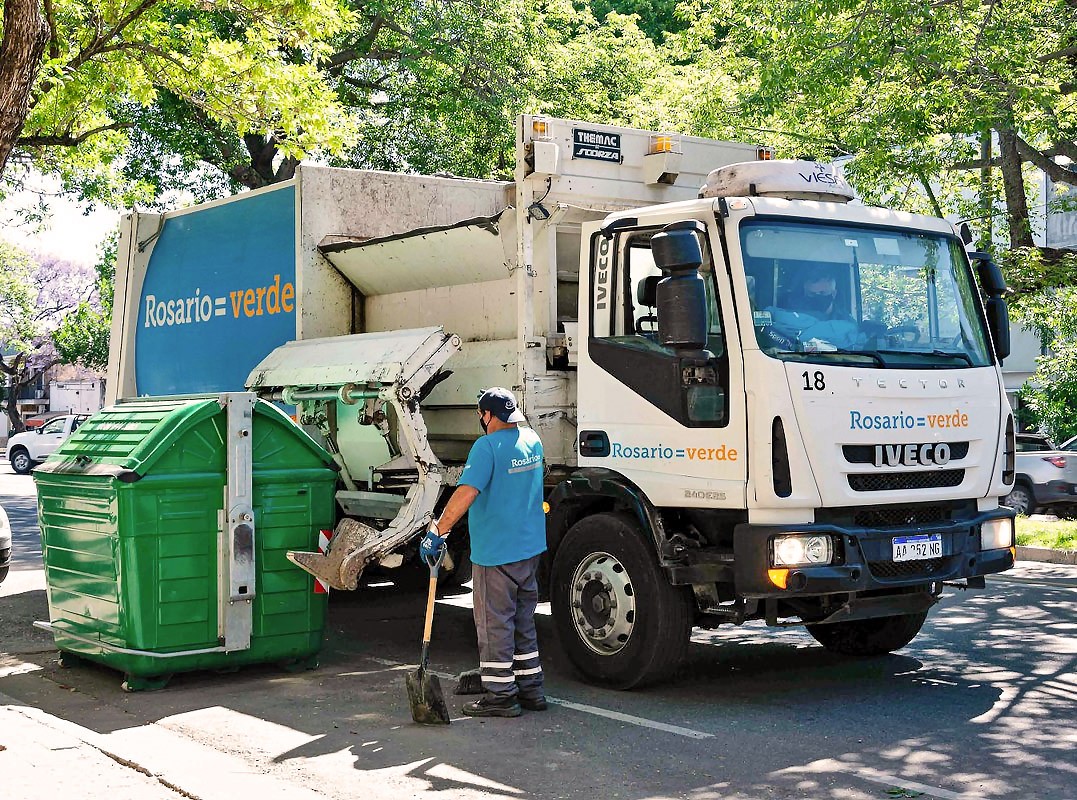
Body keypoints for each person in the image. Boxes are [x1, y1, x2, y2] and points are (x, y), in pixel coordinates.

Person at [418, 387, 547, 718]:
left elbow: (466, 492)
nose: (480, 420)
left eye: (481, 415)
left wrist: (438, 530)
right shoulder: (532, 440)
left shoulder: (487, 447)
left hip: (497, 551)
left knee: (494, 624)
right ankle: (531, 688)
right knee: (522, 619)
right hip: (529, 547)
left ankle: (501, 695)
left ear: (488, 415)